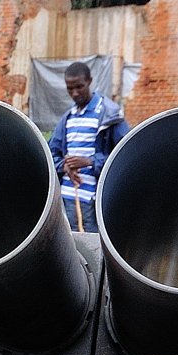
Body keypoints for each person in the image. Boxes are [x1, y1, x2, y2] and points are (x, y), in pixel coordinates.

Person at [47, 61, 128, 234]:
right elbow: (50, 153)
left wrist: (90, 162)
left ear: (90, 81)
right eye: (70, 88)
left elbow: (125, 155)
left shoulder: (108, 115)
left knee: (94, 249)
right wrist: (64, 166)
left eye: (79, 87)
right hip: (67, 197)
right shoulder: (68, 118)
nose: (75, 93)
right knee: (70, 246)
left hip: (95, 201)